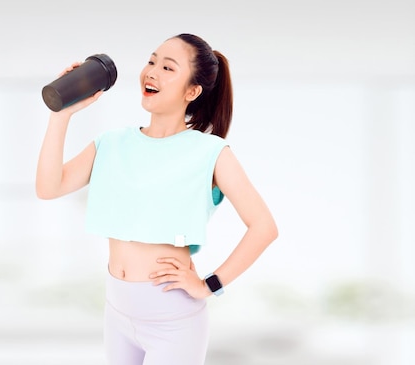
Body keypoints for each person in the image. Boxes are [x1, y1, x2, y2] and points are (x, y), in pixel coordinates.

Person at [35, 33, 278, 365]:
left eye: (167, 67)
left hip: (173, 320)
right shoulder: (112, 143)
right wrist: (60, 116)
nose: (152, 72)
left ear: (192, 91)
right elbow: (49, 187)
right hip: (117, 311)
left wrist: (210, 285)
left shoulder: (210, 152)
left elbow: (263, 227)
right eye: (151, 61)